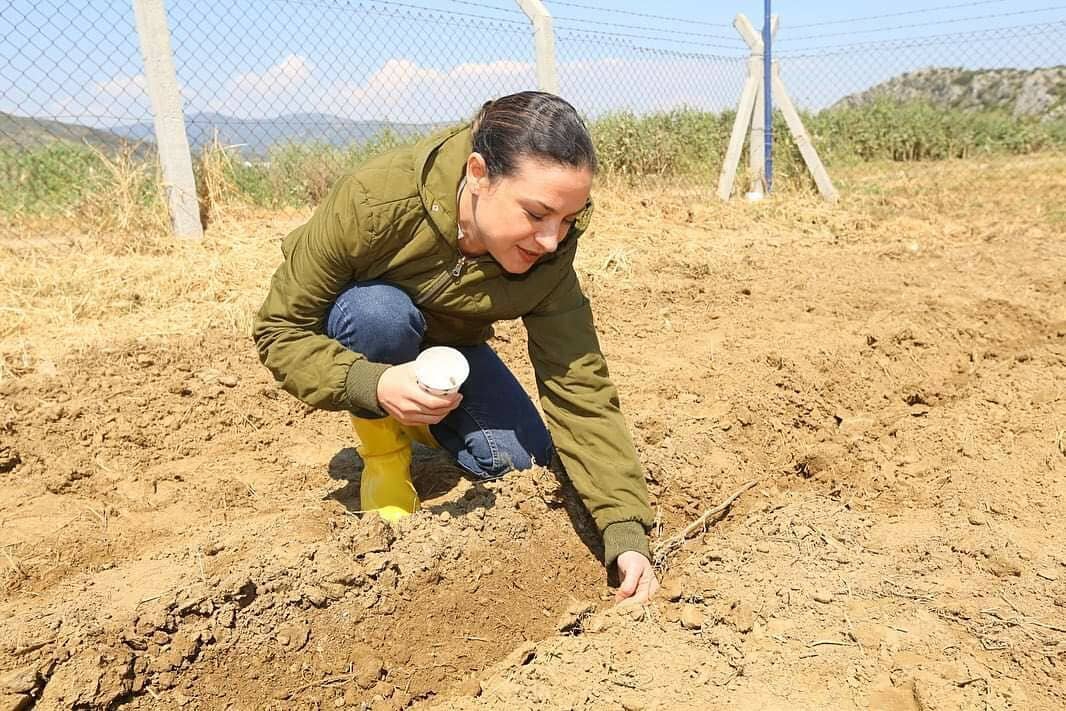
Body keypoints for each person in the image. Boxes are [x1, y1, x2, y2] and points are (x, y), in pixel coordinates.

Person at [253, 91, 659, 604]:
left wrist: (624, 530)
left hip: (453, 354)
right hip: (372, 330)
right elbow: (280, 329)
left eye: (567, 219)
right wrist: (373, 382)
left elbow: (579, 382)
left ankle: (423, 417)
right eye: (536, 214)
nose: (550, 240)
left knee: (523, 466)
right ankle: (386, 453)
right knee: (378, 314)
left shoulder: (553, 253)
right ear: (479, 173)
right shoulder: (375, 201)